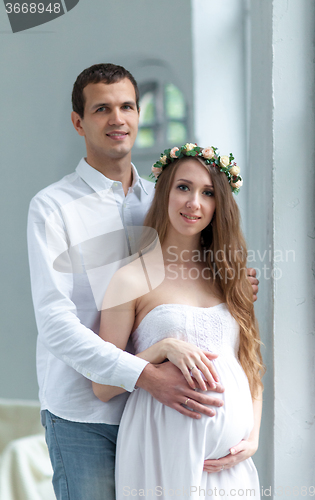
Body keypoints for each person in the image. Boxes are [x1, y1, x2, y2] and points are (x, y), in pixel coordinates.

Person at [27, 63, 259, 500]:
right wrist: (145, 373)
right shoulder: (52, 208)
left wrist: (231, 286)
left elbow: (193, 270)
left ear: (138, 113)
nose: (117, 119)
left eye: (127, 106)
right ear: (79, 122)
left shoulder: (166, 197)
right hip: (84, 414)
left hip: (163, 416)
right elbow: (55, 323)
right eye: (102, 109)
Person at [92, 144, 264, 499]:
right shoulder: (131, 278)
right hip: (160, 454)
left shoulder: (230, 276)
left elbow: (250, 363)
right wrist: (161, 348)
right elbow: (103, 385)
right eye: (183, 187)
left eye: (208, 193)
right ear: (165, 191)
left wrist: (253, 437)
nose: (193, 203)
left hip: (229, 466)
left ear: (220, 205)